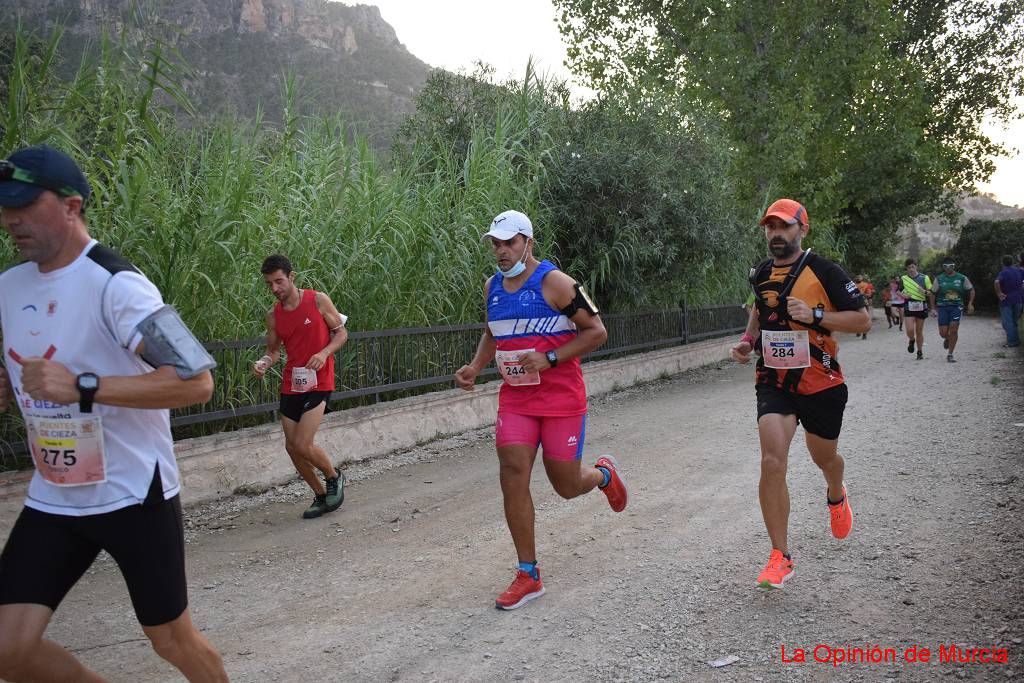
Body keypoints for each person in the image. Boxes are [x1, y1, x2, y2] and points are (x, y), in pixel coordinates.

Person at [0, 145, 228, 681]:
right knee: (8, 648)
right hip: (55, 494)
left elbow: (196, 381)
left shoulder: (117, 284)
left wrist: (82, 387)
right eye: (4, 207)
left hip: (132, 492)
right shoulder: (9, 285)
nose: (12, 219)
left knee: (171, 640)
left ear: (72, 205)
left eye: (25, 204)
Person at [454, 210, 627, 610]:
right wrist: (476, 367)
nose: (500, 251)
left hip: (561, 398)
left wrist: (550, 358)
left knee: (566, 486)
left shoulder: (557, 283)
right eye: (495, 244)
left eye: (508, 242)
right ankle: (528, 573)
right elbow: (491, 333)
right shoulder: (491, 287)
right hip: (517, 398)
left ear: (528, 243)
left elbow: (597, 331)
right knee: (512, 471)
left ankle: (603, 475)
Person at [730, 198, 869, 590]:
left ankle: (836, 493)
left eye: (784, 226)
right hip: (774, 380)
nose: (776, 234)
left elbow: (862, 320)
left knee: (824, 457)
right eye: (770, 227)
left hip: (821, 382)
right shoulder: (759, 273)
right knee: (772, 460)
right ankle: (780, 555)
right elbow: (759, 311)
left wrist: (816, 316)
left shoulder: (825, 270)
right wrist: (746, 341)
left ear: (801, 230)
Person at [254, 254, 349, 519]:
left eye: (279, 281)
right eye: (270, 284)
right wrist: (263, 362)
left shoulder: (317, 300)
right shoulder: (273, 316)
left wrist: (324, 353)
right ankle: (319, 494)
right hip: (291, 384)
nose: (275, 289)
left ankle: (334, 477)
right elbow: (272, 351)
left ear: (292, 277)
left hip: (319, 380)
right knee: (291, 447)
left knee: (303, 443)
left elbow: (341, 333)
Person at [930, 258, 975, 362]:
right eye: (945, 266)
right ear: (943, 267)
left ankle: (950, 354)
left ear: (954, 266)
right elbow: (932, 293)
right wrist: (932, 308)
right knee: (943, 332)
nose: (947, 268)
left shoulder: (962, 278)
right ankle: (947, 338)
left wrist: (970, 303)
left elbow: (971, 290)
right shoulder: (939, 278)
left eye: (950, 266)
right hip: (943, 307)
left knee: (954, 329)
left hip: (957, 306)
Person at [899, 259, 933, 360]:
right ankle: (912, 339)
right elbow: (898, 291)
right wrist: (904, 295)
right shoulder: (903, 278)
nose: (911, 269)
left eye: (912, 267)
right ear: (906, 269)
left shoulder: (924, 278)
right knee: (909, 329)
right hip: (909, 305)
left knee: (919, 331)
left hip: (921, 305)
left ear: (916, 266)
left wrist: (924, 292)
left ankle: (920, 351)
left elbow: (931, 292)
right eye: (909, 268)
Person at [994, 254, 1023, 348]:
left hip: (1006, 299)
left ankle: (1011, 342)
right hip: (1019, 299)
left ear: (1003, 263)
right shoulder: (1019, 271)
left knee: (1007, 322)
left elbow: (997, 282)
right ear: (1012, 262)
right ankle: (1016, 341)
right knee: (1014, 321)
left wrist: (999, 293)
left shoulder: (1003, 272)